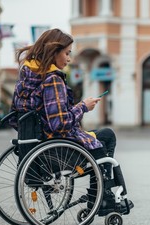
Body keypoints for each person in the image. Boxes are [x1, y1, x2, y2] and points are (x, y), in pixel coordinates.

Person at [9, 28, 124, 210]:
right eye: (67, 53)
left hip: (34, 148)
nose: (69, 59)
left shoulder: (27, 77)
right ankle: (102, 197)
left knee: (99, 136)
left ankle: (100, 195)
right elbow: (59, 124)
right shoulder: (53, 79)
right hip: (57, 151)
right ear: (54, 52)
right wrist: (83, 107)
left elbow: (16, 119)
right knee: (107, 136)